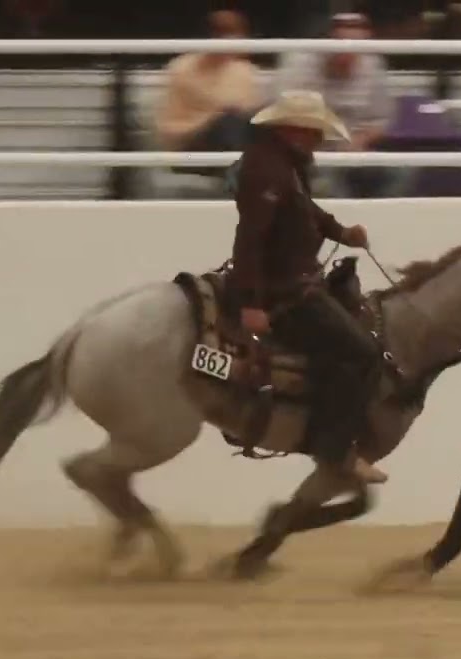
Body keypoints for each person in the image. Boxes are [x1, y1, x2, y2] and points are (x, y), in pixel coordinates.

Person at [225, 89, 388, 486]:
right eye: (315, 131)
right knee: (364, 353)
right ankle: (335, 450)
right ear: (294, 130)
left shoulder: (284, 164)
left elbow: (305, 211)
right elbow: (250, 240)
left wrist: (341, 232)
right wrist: (251, 302)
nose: (319, 140)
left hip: (295, 283)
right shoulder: (268, 171)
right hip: (285, 291)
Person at [272, 12, 399, 198]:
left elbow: (381, 120)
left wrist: (359, 140)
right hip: (309, 150)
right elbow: (282, 117)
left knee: (399, 172)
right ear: (329, 39)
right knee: (329, 181)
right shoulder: (298, 64)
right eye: (341, 44)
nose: (347, 56)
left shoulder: (372, 66)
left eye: (355, 49)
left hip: (354, 149)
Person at [153, 9, 261, 156]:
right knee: (229, 122)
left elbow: (249, 116)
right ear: (213, 36)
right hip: (189, 146)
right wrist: (212, 121)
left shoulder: (244, 70)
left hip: (234, 141)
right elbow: (168, 128)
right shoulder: (182, 68)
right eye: (228, 33)